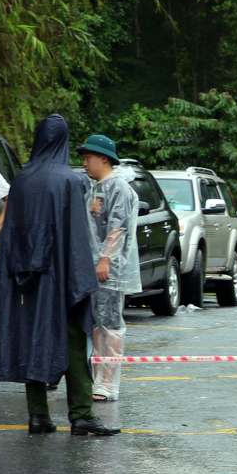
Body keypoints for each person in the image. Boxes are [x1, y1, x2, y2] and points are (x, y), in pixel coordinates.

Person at [0, 114, 116, 436]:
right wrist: (82, 276)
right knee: (72, 340)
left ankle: (38, 415)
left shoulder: (22, 178)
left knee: (33, 339)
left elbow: (11, 232)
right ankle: (82, 414)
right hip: (60, 276)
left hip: (23, 277)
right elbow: (77, 235)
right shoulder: (71, 180)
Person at [80, 134, 141, 401]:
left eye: (88, 157)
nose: (85, 163)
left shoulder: (119, 189)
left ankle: (108, 383)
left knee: (111, 323)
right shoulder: (95, 187)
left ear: (104, 158)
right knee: (97, 323)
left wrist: (106, 258)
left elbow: (119, 226)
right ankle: (98, 378)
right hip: (92, 266)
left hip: (108, 268)